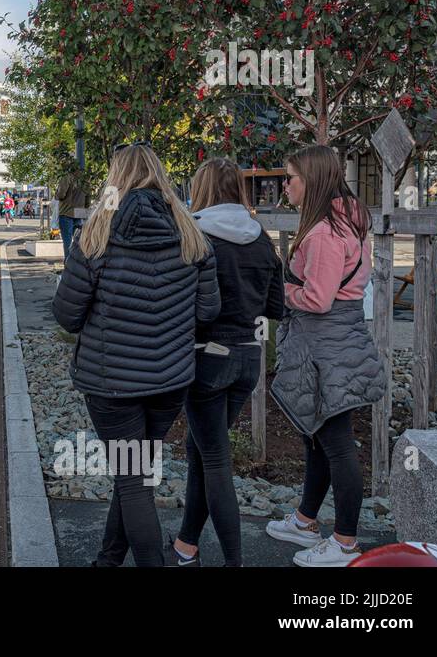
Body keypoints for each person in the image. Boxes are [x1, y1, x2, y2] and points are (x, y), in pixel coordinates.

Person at [51, 144, 219, 567]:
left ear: (116, 179)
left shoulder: (96, 236)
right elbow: (207, 311)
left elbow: (67, 316)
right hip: (170, 381)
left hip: (113, 383)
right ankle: (108, 559)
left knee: (132, 479)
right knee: (136, 473)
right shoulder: (192, 235)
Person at [265, 145, 384, 567]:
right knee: (317, 433)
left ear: (310, 182)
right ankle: (305, 520)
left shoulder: (325, 233)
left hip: (327, 345)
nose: (286, 184)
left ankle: (346, 542)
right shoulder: (344, 219)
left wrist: (279, 292)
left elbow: (316, 299)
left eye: (291, 177)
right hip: (337, 341)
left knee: (335, 441)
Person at [171, 159, 285, 567]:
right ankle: (186, 545)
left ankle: (234, 561)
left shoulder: (195, 236)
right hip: (247, 360)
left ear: (201, 190)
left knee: (214, 458)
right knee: (202, 449)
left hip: (206, 359)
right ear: (239, 190)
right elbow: (276, 307)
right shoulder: (262, 239)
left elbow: (186, 306)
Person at [56, 157, 87, 256]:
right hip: (80, 213)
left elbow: (61, 195)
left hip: (66, 213)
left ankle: (68, 264)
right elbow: (88, 199)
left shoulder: (67, 178)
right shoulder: (85, 180)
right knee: (79, 241)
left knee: (67, 240)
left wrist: (56, 194)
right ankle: (79, 264)